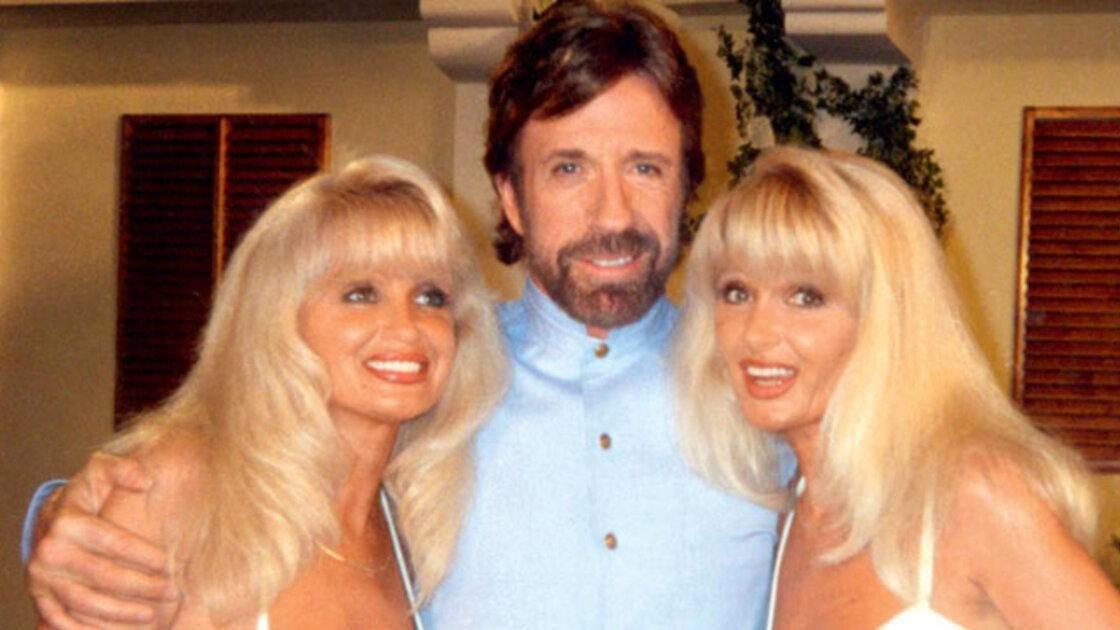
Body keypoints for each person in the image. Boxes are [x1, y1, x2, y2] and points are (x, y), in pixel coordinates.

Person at [26, 2, 783, 628]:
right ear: (512, 196)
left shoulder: (767, 387)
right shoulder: (431, 381)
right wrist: (66, 519)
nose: (612, 213)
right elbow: (246, 444)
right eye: (568, 168)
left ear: (688, 184)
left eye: (645, 167)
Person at [32, 154, 507, 628]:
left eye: (431, 297)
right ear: (279, 317)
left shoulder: (410, 524)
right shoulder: (176, 485)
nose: (407, 327)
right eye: (361, 293)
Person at [675, 145, 1120, 628]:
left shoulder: (973, 496)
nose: (757, 333)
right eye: (737, 292)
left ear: (885, 317)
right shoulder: (793, 512)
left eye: (805, 296)